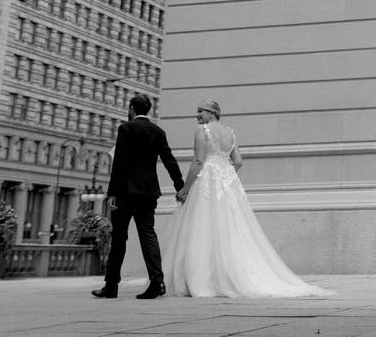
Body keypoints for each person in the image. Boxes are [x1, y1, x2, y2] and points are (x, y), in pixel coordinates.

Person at [162, 99, 333, 298]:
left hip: (206, 180)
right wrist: (225, 175)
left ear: (212, 113)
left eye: (201, 111)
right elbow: (238, 162)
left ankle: (202, 280)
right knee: (228, 228)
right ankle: (228, 275)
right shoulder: (230, 132)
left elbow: (199, 160)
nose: (197, 115)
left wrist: (185, 188)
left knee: (202, 226)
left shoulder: (202, 130)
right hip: (227, 183)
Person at [92, 93, 184, 300]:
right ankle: (157, 282)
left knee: (119, 238)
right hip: (148, 192)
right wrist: (180, 186)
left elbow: (120, 162)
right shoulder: (158, 131)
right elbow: (169, 160)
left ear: (132, 108)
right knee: (148, 235)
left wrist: (112, 192)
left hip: (125, 192)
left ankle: (111, 286)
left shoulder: (125, 129)